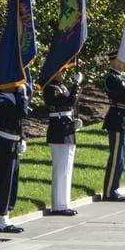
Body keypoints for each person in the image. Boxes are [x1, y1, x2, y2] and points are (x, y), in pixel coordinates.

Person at [0, 85, 29, 232]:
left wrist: (22, 138)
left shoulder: (12, 98)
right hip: (5, 144)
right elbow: (21, 114)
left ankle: (6, 215)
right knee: (4, 182)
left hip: (14, 143)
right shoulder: (0, 101)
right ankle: (1, 220)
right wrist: (23, 96)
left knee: (12, 182)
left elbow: (19, 124)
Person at [44, 72, 82, 214]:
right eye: (62, 70)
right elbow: (69, 102)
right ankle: (59, 206)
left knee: (66, 169)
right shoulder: (50, 88)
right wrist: (76, 85)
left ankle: (64, 203)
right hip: (59, 130)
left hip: (66, 129)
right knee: (61, 169)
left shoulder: (62, 87)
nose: (65, 73)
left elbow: (70, 105)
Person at [102, 54, 125, 201]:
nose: (123, 62)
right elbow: (124, 95)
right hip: (116, 120)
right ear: (114, 61)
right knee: (116, 158)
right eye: (120, 59)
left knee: (121, 158)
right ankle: (110, 191)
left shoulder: (122, 78)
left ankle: (114, 188)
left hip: (124, 120)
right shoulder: (112, 78)